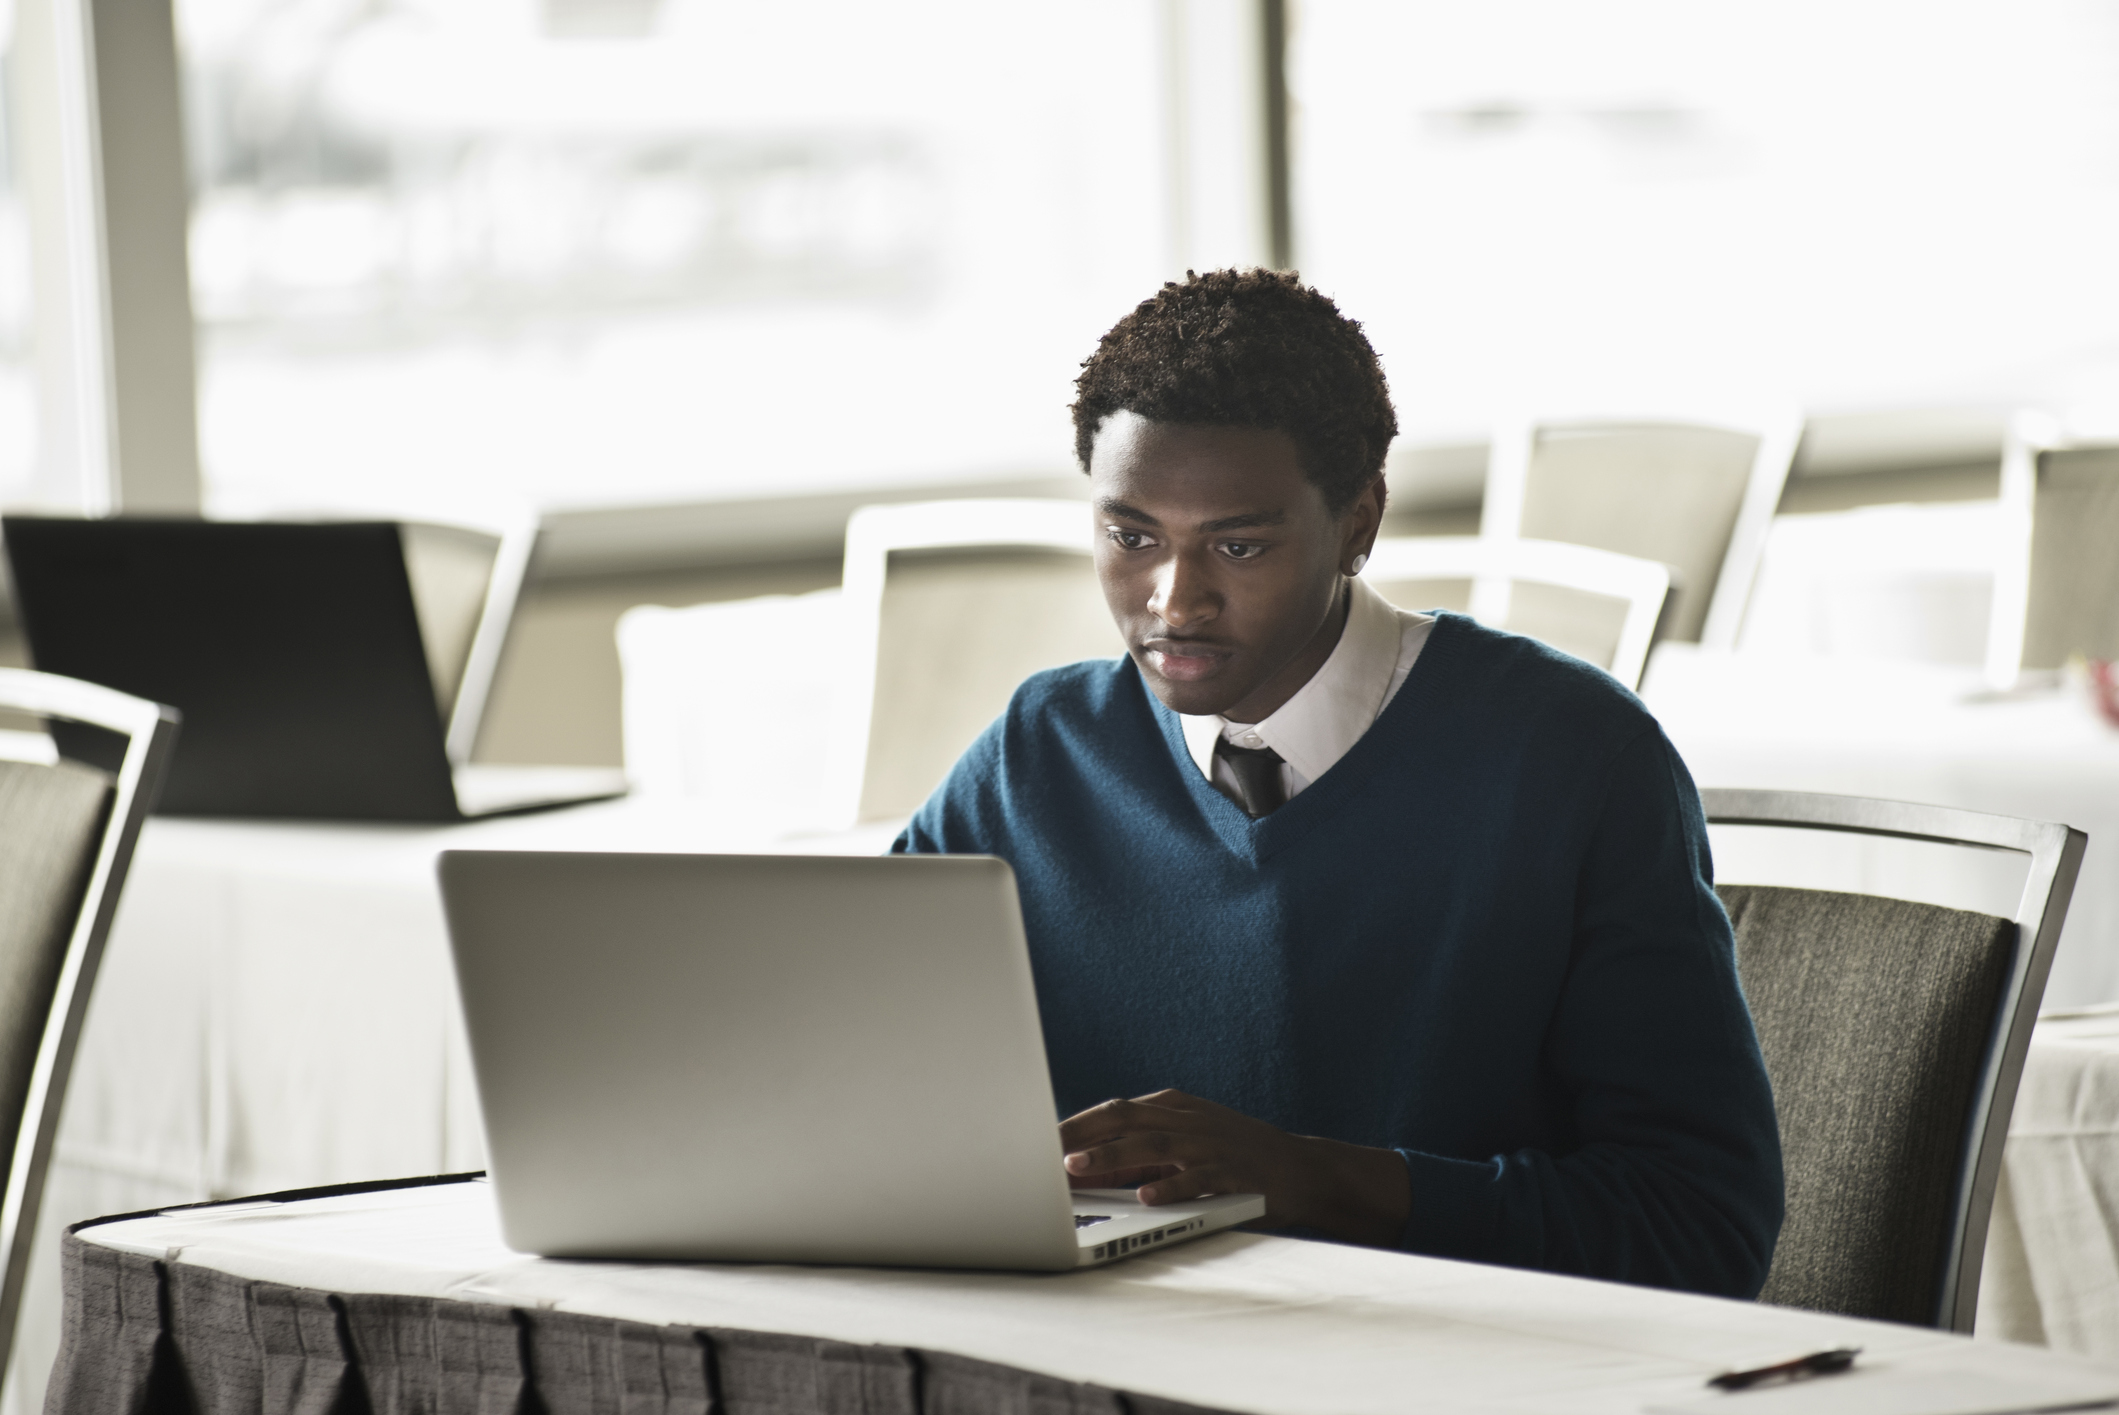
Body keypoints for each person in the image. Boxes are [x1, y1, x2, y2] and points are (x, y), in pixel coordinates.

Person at [892, 269, 1783, 1297]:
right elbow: (841, 1068)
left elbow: (1700, 1230)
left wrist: (1309, 1177)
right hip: (1106, 1352)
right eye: (1130, 536)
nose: (1172, 600)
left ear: (1358, 521)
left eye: (1238, 543)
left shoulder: (1572, 759)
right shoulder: (1036, 754)